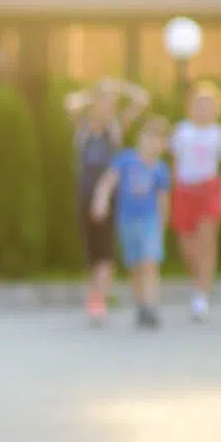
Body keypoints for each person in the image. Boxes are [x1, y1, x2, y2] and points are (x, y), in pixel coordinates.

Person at [65, 78, 150, 322]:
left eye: (110, 103)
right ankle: (94, 295)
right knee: (90, 250)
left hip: (110, 198)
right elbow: (69, 103)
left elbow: (141, 99)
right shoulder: (81, 129)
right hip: (84, 196)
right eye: (102, 102)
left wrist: (119, 86)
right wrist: (92, 93)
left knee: (105, 249)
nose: (106, 107)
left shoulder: (116, 129)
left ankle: (99, 299)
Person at [91, 116, 172, 330]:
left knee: (149, 262)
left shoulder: (160, 169)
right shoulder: (126, 160)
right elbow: (108, 181)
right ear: (140, 138)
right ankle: (140, 305)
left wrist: (162, 224)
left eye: (158, 139)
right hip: (127, 220)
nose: (152, 143)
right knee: (135, 265)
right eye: (149, 137)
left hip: (149, 220)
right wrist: (101, 199)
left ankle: (151, 305)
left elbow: (163, 199)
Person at [169, 81, 221, 323]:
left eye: (208, 105)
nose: (203, 109)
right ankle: (196, 283)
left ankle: (202, 295)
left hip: (208, 189)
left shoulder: (218, 133)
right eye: (199, 104)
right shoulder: (182, 131)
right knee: (187, 246)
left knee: (206, 243)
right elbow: (174, 163)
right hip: (185, 191)